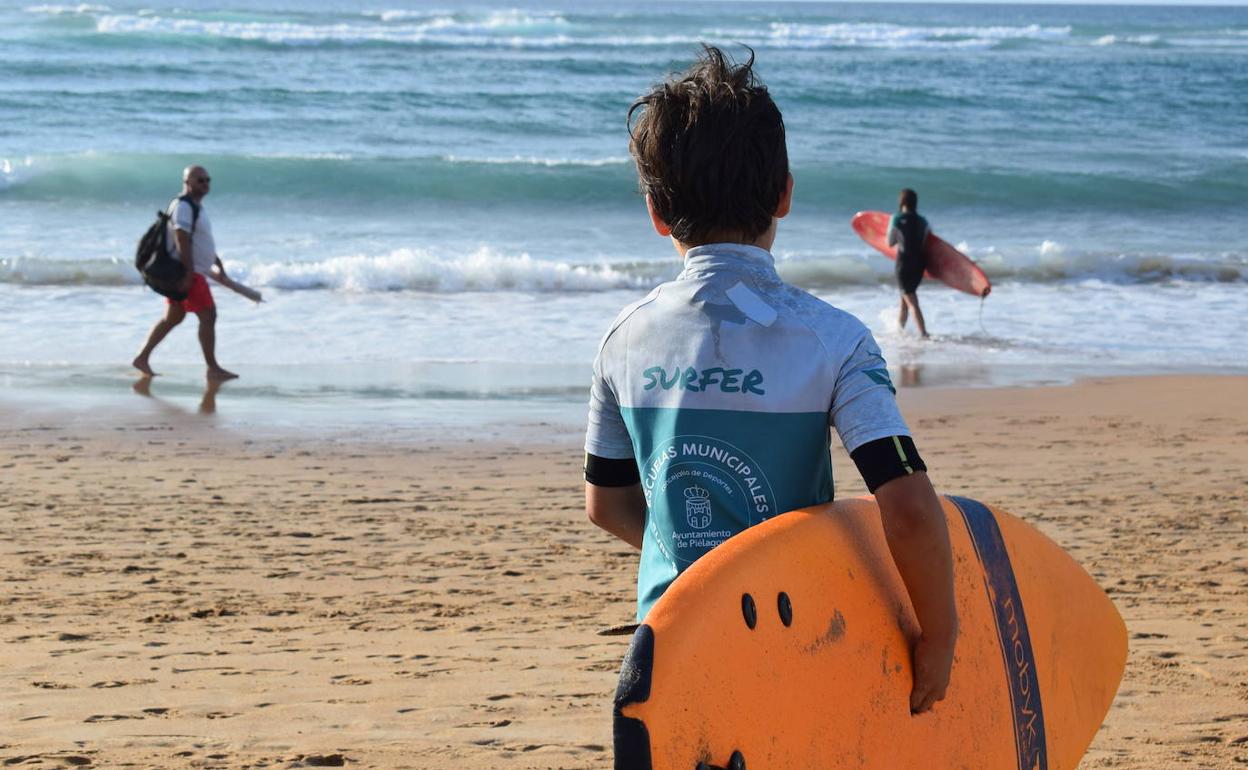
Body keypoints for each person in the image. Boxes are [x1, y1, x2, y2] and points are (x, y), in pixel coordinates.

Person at [583, 46, 957, 714]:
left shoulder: (622, 341)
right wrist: (941, 634)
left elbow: (605, 506)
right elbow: (907, 508)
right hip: (795, 642)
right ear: (784, 193)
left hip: (671, 648)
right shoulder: (833, 340)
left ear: (655, 212)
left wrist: (703, 554)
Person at [132, 165, 238, 380]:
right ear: (187, 182)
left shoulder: (194, 206)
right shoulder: (184, 206)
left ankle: (142, 358)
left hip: (194, 269)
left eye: (208, 180)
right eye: (200, 180)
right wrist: (189, 273)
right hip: (190, 272)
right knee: (208, 315)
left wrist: (215, 260)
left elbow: (198, 240)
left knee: (173, 317)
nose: (205, 184)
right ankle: (212, 368)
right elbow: (181, 237)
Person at [888, 188, 930, 339]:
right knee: (905, 299)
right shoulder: (923, 221)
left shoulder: (897, 219)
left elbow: (890, 242)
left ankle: (924, 334)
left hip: (904, 264)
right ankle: (899, 332)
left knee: (911, 300)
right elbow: (927, 243)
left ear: (902, 201)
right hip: (919, 265)